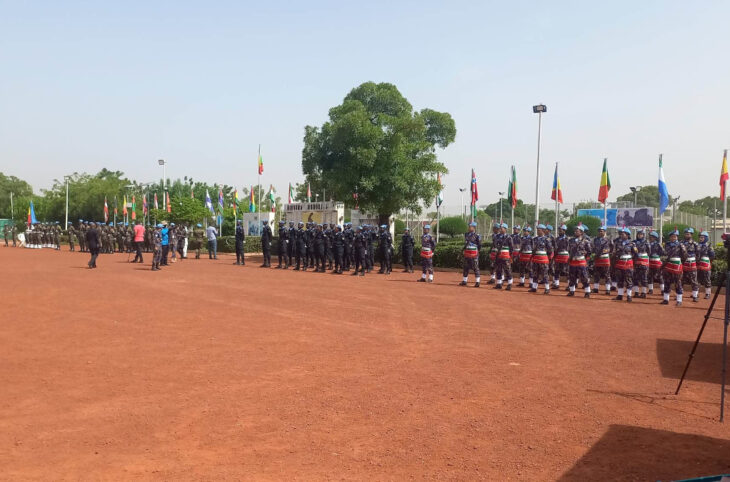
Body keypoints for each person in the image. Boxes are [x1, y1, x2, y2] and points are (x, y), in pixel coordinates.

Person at [662, 229, 688, 306]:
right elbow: (665, 254)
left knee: (678, 282)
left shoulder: (681, 245)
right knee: (667, 282)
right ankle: (666, 299)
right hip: (668, 264)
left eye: (675, 236)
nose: (673, 238)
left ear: (677, 237)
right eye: (672, 236)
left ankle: (679, 300)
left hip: (677, 265)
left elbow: (685, 255)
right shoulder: (667, 244)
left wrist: (680, 262)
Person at [566, 225, 592, 297]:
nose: (575, 232)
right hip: (573, 261)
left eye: (577, 231)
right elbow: (569, 250)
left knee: (584, 277)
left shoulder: (586, 241)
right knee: (572, 277)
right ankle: (571, 291)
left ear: (581, 232)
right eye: (575, 231)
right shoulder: (571, 240)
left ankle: (587, 292)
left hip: (581, 261)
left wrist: (584, 257)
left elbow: (589, 251)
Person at [613, 227, 637, 302]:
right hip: (620, 262)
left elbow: (635, 253)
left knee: (628, 279)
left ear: (627, 235)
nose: (621, 235)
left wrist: (631, 260)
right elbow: (614, 252)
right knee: (620, 279)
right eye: (621, 234)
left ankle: (629, 296)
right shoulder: (617, 243)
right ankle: (620, 295)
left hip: (628, 263)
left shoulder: (632, 244)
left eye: (623, 234)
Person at [529, 224, 553, 294]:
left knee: (544, 274)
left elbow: (550, 250)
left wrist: (547, 257)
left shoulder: (546, 239)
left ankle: (547, 288)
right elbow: (533, 249)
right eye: (537, 230)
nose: (537, 231)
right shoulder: (535, 239)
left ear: (543, 231)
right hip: (536, 258)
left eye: (539, 230)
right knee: (535, 273)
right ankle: (534, 287)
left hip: (543, 259)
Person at [592, 226, 613, 295]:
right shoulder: (595, 239)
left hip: (605, 258)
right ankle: (596, 288)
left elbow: (612, 248)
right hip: (597, 258)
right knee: (596, 274)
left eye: (602, 231)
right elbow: (593, 247)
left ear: (605, 232)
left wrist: (608, 251)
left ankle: (608, 289)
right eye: (599, 231)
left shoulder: (608, 239)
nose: (600, 232)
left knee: (607, 274)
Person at [459, 221, 481, 287]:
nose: (468, 227)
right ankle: (464, 281)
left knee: (475, 267)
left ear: (474, 227)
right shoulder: (466, 234)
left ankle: (477, 282)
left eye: (470, 226)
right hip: (467, 253)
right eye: (468, 226)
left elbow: (479, 245)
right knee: (466, 267)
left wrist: (478, 252)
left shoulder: (477, 235)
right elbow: (466, 243)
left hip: (474, 253)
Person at [493, 223, 514, 290]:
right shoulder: (497, 236)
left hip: (506, 255)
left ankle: (510, 284)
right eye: (500, 228)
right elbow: (495, 245)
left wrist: (510, 256)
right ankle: (499, 283)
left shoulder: (508, 237)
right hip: (499, 255)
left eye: (502, 228)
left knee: (507, 270)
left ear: (505, 229)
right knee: (498, 269)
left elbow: (511, 248)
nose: (500, 229)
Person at [681, 228, 700, 302]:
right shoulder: (681, 243)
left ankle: (695, 296)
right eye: (686, 234)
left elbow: (698, 254)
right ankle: (680, 295)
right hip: (683, 264)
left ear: (691, 235)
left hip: (692, 263)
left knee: (694, 281)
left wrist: (696, 261)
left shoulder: (695, 244)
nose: (687, 235)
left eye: (688, 234)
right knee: (681, 280)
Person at [632, 229, 650, 298]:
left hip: (644, 262)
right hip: (636, 262)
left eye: (641, 234)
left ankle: (643, 293)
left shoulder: (646, 243)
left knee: (644, 278)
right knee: (635, 277)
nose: (640, 235)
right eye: (639, 234)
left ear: (643, 235)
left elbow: (649, 252)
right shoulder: (634, 242)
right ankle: (636, 292)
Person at [697, 231, 715, 299]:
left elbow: (712, 256)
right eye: (700, 237)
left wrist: (706, 260)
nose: (700, 239)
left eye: (702, 237)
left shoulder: (709, 246)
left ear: (706, 238)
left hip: (705, 265)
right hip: (698, 264)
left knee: (707, 279)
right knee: (697, 279)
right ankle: (696, 293)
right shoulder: (697, 245)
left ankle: (708, 293)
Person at [553, 224, 569, 290]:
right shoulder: (557, 239)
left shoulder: (567, 239)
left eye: (561, 230)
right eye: (559, 230)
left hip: (565, 256)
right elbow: (555, 248)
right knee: (557, 270)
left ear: (564, 231)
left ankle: (569, 285)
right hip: (558, 255)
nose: (559, 231)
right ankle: (556, 284)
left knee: (567, 271)